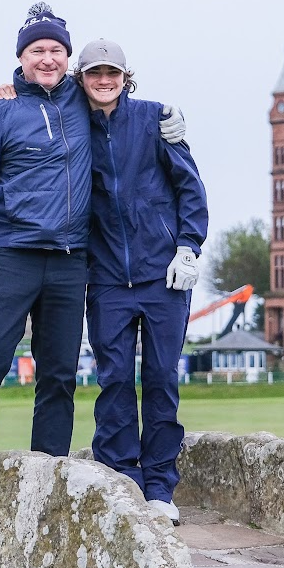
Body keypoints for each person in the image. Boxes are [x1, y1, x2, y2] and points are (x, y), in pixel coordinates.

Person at [0, 3, 184, 456]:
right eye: (36, 51)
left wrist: (166, 116)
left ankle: (49, 473)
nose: (47, 59)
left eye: (56, 51)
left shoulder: (81, 99)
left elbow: (115, 95)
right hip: (10, 254)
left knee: (59, 376)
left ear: (67, 58)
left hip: (70, 260)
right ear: (21, 57)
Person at [76, 40, 207, 524]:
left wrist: (188, 245)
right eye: (94, 73)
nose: (104, 80)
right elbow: (35, 88)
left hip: (163, 275)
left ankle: (159, 487)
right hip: (107, 277)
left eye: (112, 72)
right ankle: (121, 481)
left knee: (160, 378)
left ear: (125, 76)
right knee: (113, 380)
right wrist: (8, 85)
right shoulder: (72, 122)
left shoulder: (155, 119)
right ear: (81, 78)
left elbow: (190, 186)